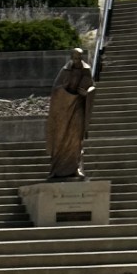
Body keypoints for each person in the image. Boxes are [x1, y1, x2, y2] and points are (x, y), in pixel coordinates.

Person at [46, 46, 95, 179]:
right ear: (71, 58)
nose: (77, 60)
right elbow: (56, 89)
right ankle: (57, 168)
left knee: (76, 137)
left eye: (79, 58)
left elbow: (91, 86)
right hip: (64, 109)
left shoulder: (86, 70)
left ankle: (76, 167)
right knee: (60, 137)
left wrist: (87, 93)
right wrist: (65, 90)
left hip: (78, 106)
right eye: (74, 58)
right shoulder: (65, 70)